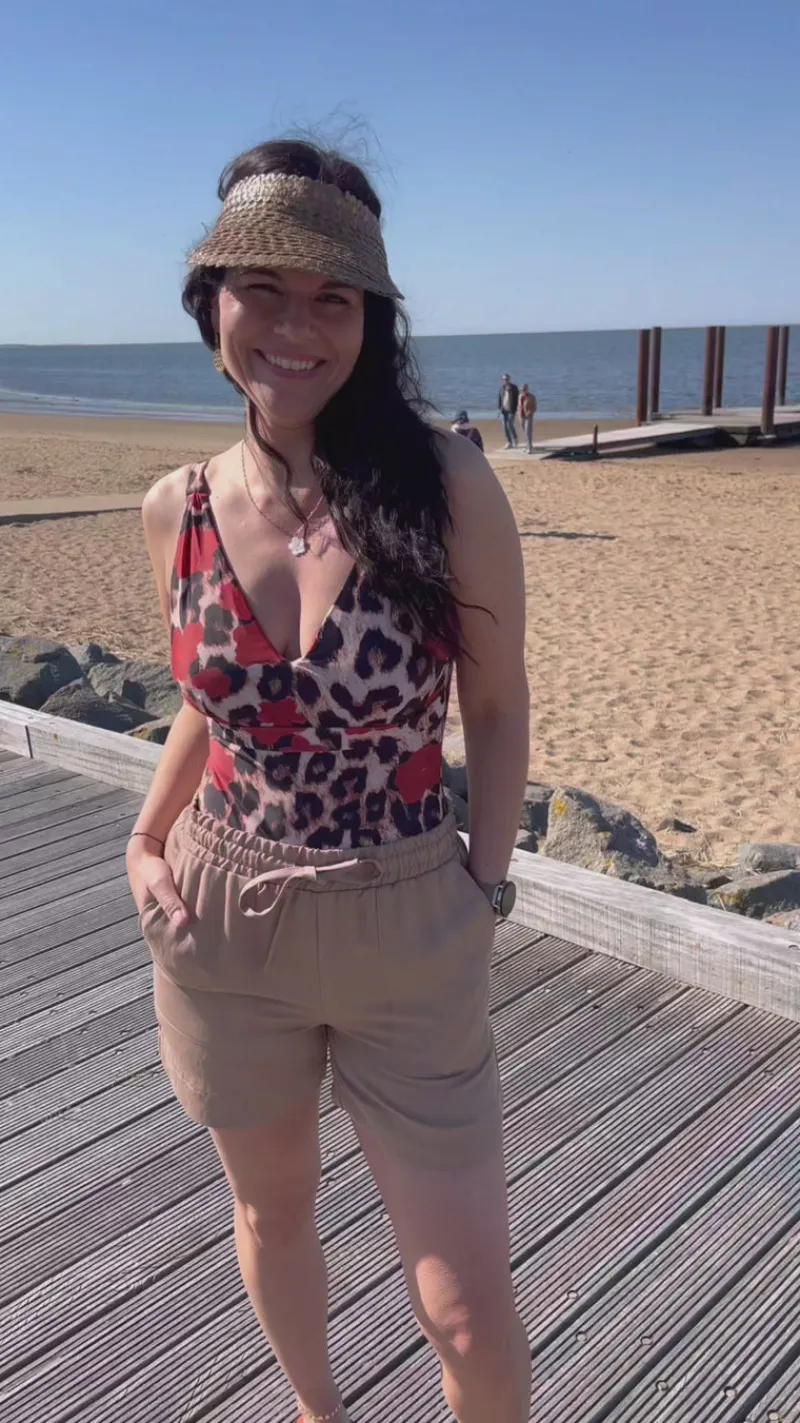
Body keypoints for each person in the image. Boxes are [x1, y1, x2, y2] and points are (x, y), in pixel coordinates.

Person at [126, 139, 531, 1423]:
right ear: (211, 304)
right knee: (270, 1212)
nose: (296, 327)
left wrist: (480, 886)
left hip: (408, 915)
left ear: (371, 319)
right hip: (223, 915)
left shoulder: (445, 483)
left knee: (464, 1309)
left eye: (332, 298)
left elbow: (497, 703)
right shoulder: (176, 506)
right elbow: (215, 704)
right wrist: (144, 839)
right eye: (264, 289)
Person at [497, 373, 519, 448]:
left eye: (507, 379)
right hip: (504, 410)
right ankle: (509, 442)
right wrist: (499, 409)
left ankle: (515, 439)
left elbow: (517, 399)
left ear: (509, 379)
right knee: (504, 426)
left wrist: (516, 409)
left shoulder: (514, 388)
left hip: (511, 410)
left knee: (509, 424)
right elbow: (500, 399)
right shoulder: (502, 388)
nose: (505, 380)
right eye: (504, 379)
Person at [519, 384, 537, 454]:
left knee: (528, 432)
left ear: (527, 389)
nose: (523, 391)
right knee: (525, 432)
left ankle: (530, 448)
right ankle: (527, 446)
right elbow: (519, 406)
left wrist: (530, 412)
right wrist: (518, 413)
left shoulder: (531, 397)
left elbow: (534, 407)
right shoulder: (520, 396)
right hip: (522, 416)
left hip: (528, 417)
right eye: (522, 390)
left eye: (524, 389)